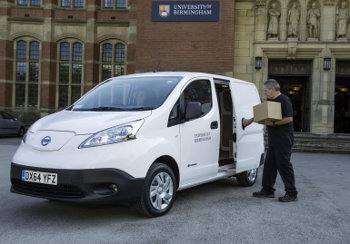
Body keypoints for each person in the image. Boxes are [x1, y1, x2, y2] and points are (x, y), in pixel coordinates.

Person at [243, 79, 298, 202]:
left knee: (284, 166)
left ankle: (292, 193)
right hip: (274, 140)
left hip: (283, 140)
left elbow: (289, 118)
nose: (265, 93)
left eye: (266, 90)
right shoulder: (270, 101)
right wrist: (249, 121)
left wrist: (273, 123)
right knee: (269, 166)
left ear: (272, 89)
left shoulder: (284, 100)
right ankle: (267, 190)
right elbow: (261, 114)